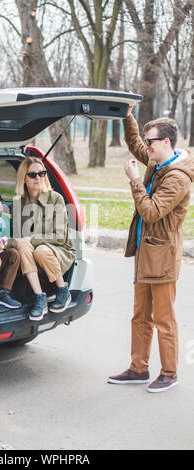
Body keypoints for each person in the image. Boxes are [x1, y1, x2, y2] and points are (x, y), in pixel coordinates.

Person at [108, 105, 194, 393]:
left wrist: (134, 182)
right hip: (145, 255)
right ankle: (138, 368)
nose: (146, 147)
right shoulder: (157, 162)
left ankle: (169, 373)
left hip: (163, 259)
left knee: (164, 320)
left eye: (151, 142)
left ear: (166, 142)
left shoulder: (177, 177)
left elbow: (152, 212)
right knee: (140, 316)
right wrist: (126, 115)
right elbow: (134, 143)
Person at [12, 156, 76, 321]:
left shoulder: (55, 198)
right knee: (23, 245)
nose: (38, 178)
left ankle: (63, 290)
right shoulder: (19, 203)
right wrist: (16, 242)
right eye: (33, 175)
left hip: (60, 250)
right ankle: (39, 297)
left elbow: (60, 236)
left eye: (42, 173)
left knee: (39, 249)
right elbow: (19, 237)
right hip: (31, 254)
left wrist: (31, 239)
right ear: (24, 178)